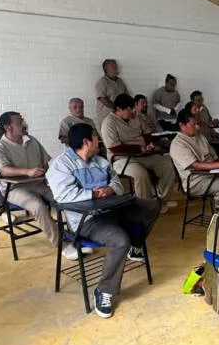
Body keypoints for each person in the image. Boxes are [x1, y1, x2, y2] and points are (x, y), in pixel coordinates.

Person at [47, 123, 159, 318]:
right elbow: (63, 195)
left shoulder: (100, 161)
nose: (99, 140)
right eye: (95, 137)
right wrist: (94, 194)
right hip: (87, 220)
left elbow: (117, 183)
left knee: (152, 206)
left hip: (113, 210)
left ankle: (135, 245)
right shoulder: (61, 165)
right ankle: (104, 290)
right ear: (86, 141)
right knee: (120, 240)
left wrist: (110, 189)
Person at [0, 111, 82, 257]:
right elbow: (4, 170)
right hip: (14, 188)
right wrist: (27, 172)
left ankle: (78, 237)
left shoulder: (31, 140)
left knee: (67, 198)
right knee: (38, 205)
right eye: (19, 122)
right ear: (8, 127)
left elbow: (45, 162)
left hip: (38, 184)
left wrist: (45, 174)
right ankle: (62, 244)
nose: (24, 124)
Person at [100, 94, 176, 212]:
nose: (133, 111)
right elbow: (114, 148)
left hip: (143, 155)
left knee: (168, 164)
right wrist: (139, 148)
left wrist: (151, 144)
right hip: (121, 159)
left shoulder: (136, 117)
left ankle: (160, 201)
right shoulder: (108, 123)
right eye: (129, 109)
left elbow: (147, 135)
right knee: (141, 174)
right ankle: (146, 207)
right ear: (119, 109)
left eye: (133, 108)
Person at [95, 59, 130, 127]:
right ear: (106, 69)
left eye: (116, 65)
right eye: (112, 66)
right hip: (106, 118)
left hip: (120, 117)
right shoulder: (102, 82)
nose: (116, 67)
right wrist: (118, 109)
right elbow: (103, 99)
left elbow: (127, 97)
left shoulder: (120, 81)